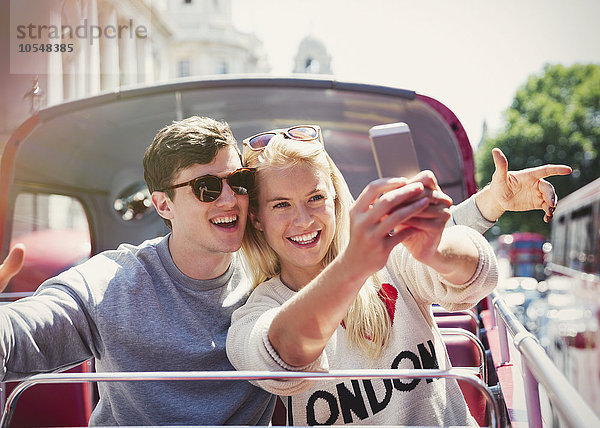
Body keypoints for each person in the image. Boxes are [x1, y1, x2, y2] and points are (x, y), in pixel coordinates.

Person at [0, 117, 570, 425]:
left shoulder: (330, 265)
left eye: (237, 183)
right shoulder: (125, 285)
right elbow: (28, 331)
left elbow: (447, 263)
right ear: (162, 204)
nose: (227, 199)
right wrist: (355, 262)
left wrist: (480, 213)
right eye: (205, 187)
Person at [224, 125, 565, 426]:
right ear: (257, 219)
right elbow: (282, 355)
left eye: (315, 198)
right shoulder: (256, 310)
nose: (303, 220)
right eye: (280, 204)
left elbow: (477, 274)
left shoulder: (390, 258)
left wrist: (434, 250)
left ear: (335, 201)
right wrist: (353, 267)